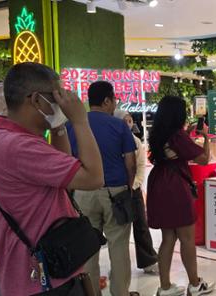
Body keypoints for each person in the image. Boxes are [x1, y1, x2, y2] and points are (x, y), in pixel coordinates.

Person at [0, 62, 104, 295]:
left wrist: (58, 127)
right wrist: (80, 121)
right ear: (37, 100)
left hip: (31, 275)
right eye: (56, 97)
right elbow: (93, 178)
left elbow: (62, 168)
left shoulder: (0, 136)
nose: (61, 103)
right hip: (43, 282)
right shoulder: (19, 146)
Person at [68, 81, 137, 296]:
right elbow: (131, 162)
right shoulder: (118, 126)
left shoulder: (73, 126)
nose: (114, 105)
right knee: (118, 248)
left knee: (88, 250)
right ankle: (120, 293)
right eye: (113, 100)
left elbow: (66, 160)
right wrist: (128, 186)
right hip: (115, 192)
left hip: (83, 192)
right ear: (107, 100)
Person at [147, 96, 215, 296]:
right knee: (187, 238)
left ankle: (165, 286)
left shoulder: (157, 133)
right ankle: (195, 284)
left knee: (168, 238)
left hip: (158, 183)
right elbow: (203, 160)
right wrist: (206, 138)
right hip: (175, 186)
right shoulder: (177, 135)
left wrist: (187, 133)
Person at [115, 110, 159, 274]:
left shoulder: (135, 142)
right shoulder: (112, 140)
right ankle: (118, 267)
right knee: (119, 231)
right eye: (124, 121)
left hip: (134, 190)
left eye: (130, 120)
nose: (128, 124)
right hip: (117, 191)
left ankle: (148, 261)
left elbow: (140, 167)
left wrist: (135, 184)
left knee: (141, 225)